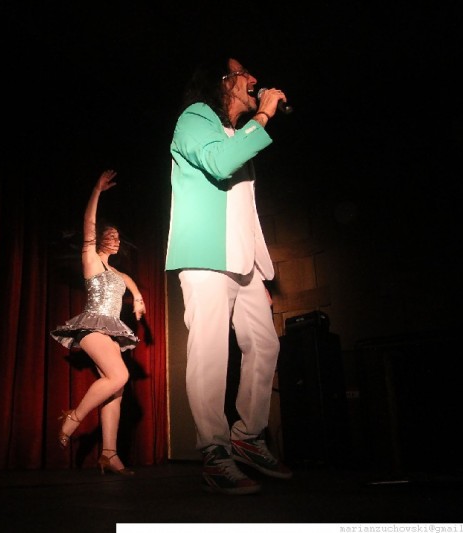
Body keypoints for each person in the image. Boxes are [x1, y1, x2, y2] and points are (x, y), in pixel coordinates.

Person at [165, 55, 293, 495]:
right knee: (210, 350)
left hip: (244, 262)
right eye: (243, 73)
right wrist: (264, 116)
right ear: (221, 82)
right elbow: (219, 164)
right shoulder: (194, 119)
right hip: (206, 255)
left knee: (265, 344)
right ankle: (214, 450)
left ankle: (248, 435)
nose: (254, 79)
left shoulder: (238, 133)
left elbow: (243, 209)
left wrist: (259, 269)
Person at [50, 169, 146, 476]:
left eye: (118, 236)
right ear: (100, 237)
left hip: (110, 332)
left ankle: (109, 455)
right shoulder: (90, 259)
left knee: (116, 391)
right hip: (93, 328)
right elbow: (88, 223)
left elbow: (127, 279)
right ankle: (74, 417)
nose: (116, 239)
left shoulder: (116, 272)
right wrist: (96, 191)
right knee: (120, 376)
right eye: (111, 235)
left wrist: (138, 296)